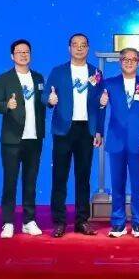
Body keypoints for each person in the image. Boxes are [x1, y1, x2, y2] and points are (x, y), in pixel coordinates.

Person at [95, 48, 139, 238]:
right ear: (119, 62)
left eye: (133, 59)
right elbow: (99, 109)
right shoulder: (109, 83)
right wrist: (101, 103)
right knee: (117, 185)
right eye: (125, 59)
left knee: (138, 186)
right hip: (116, 141)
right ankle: (118, 223)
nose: (129, 62)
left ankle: (138, 223)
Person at [45, 33, 102, 237]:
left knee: (83, 177)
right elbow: (45, 95)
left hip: (86, 130)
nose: (79, 48)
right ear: (69, 48)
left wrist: (99, 130)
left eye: (83, 45)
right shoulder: (58, 71)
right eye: (75, 45)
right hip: (63, 130)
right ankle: (59, 222)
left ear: (88, 48)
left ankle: (82, 221)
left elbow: (100, 104)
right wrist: (50, 100)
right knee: (59, 177)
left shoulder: (96, 73)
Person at [0, 39, 46, 238]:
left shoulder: (38, 78)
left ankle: (29, 221)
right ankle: (8, 222)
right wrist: (7, 105)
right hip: (12, 139)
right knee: (10, 181)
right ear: (12, 56)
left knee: (30, 181)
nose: (23, 55)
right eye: (19, 52)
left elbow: (43, 103)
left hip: (34, 137)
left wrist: (50, 102)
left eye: (26, 52)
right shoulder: (4, 78)